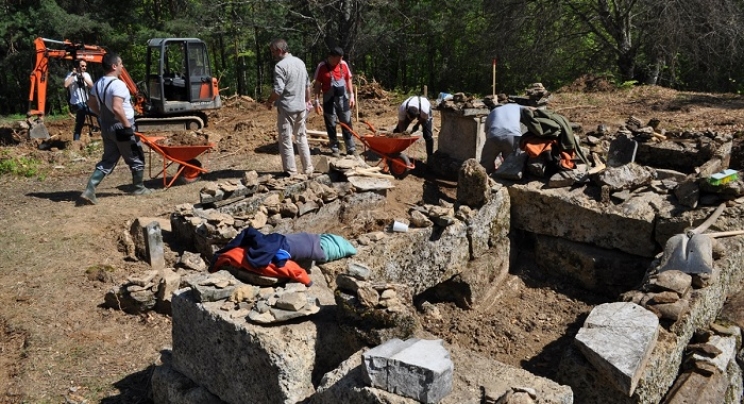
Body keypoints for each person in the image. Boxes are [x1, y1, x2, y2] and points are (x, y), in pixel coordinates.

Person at [79, 52, 151, 205]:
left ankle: (90, 189)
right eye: (120, 64)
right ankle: (138, 188)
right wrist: (126, 126)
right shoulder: (118, 85)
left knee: (109, 159)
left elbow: (91, 104)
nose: (122, 66)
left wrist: (102, 116)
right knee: (136, 155)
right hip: (121, 126)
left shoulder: (98, 84)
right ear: (114, 66)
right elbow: (118, 108)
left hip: (106, 126)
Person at [265, 38, 314, 176]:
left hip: (287, 108)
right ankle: (308, 168)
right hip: (301, 107)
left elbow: (278, 90)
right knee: (301, 136)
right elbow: (307, 86)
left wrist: (269, 101)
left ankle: (291, 171)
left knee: (285, 138)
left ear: (280, 50)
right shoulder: (300, 62)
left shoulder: (280, 67)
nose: (273, 55)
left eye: (274, 52)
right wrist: (307, 101)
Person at [313, 47, 356, 157]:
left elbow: (348, 79)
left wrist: (351, 96)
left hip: (343, 98)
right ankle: (334, 148)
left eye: (340, 60)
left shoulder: (343, 64)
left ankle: (351, 148)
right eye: (337, 60)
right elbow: (317, 85)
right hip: (329, 99)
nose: (338, 62)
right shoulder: (322, 66)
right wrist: (316, 101)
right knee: (331, 123)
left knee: (346, 122)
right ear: (331, 57)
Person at [480, 103, 530, 174]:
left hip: (494, 136)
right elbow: (530, 109)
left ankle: (484, 177)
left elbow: (487, 134)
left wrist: (491, 149)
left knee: (485, 164)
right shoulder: (514, 107)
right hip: (513, 137)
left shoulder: (491, 114)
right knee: (512, 164)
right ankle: (509, 178)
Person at [64, 60, 94, 141]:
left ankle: (75, 141)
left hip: (85, 101)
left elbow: (92, 86)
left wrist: (84, 79)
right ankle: (106, 136)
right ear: (78, 66)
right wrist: (73, 75)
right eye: (82, 66)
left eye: (85, 66)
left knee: (80, 122)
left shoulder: (86, 75)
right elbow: (66, 85)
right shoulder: (71, 75)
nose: (84, 67)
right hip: (76, 103)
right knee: (98, 113)